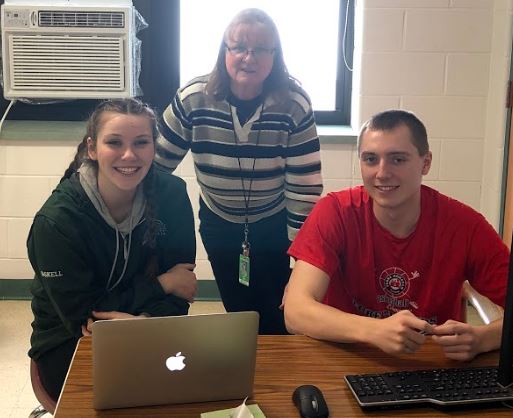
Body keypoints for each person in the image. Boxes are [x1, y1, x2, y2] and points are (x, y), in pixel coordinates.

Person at [284, 109, 509, 361]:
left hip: (432, 365)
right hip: (346, 358)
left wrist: (484, 338)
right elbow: (295, 312)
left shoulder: (465, 226)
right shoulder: (335, 212)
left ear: (426, 163)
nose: (381, 173)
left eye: (397, 159)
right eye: (370, 159)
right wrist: (375, 330)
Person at [155, 8, 322, 334]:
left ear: (274, 55)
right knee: (239, 310)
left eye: (261, 49)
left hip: (274, 223)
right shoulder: (193, 99)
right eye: (239, 47)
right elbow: (155, 166)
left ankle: (278, 375)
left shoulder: (294, 103)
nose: (249, 57)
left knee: (278, 310)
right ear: (224, 52)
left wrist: (302, 262)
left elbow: (304, 189)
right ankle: (249, 374)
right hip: (220, 223)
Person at [27, 98, 197, 401]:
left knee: (196, 388)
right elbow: (84, 317)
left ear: (153, 148)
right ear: (92, 148)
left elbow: (182, 287)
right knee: (135, 395)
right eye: (114, 142)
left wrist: (145, 324)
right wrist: (161, 284)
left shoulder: (172, 195)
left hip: (152, 324)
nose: (129, 155)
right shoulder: (56, 222)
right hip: (69, 340)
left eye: (141, 142)